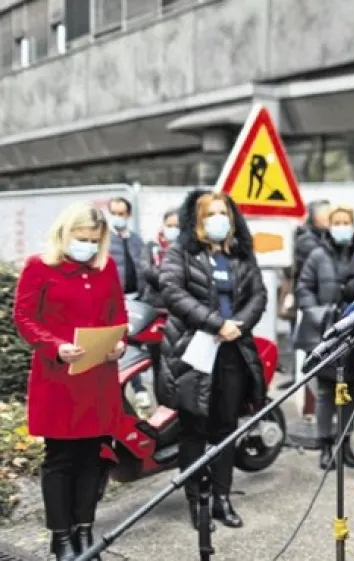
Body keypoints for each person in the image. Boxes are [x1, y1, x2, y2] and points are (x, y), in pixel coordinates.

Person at [13, 202, 127, 561]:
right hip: (58, 378)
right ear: (64, 233)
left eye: (94, 240)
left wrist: (119, 343)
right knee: (61, 458)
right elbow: (24, 317)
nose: (88, 246)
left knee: (93, 457)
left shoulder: (106, 267)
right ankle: (61, 536)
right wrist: (55, 346)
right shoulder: (39, 266)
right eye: (82, 238)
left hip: (98, 376)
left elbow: (119, 313)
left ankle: (84, 531)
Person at [158, 190, 267, 531]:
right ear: (196, 220)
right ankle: (197, 501)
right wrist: (215, 323)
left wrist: (238, 325)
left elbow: (258, 295)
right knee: (194, 429)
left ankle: (222, 497)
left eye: (223, 213)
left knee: (226, 428)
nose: (218, 220)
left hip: (233, 350)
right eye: (210, 214)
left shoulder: (241, 254)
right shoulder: (180, 252)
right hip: (192, 352)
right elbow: (172, 291)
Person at [293, 204, 354, 471]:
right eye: (337, 222)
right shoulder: (318, 254)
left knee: (348, 391)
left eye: (347, 222)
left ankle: (344, 443)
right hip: (324, 333)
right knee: (325, 392)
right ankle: (324, 445)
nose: (342, 227)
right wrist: (321, 315)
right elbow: (304, 288)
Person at [131, 207, 180, 412]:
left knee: (178, 363)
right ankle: (163, 408)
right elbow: (147, 271)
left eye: (177, 226)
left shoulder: (189, 249)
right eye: (169, 225)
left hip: (179, 313)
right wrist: (173, 278)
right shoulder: (151, 247)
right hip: (156, 313)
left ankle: (180, 409)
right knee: (159, 363)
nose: (173, 229)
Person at [106, 196, 146, 297]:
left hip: (137, 295)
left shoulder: (136, 239)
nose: (117, 217)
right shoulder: (103, 239)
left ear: (128, 215)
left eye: (121, 214)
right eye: (113, 213)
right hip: (113, 296)